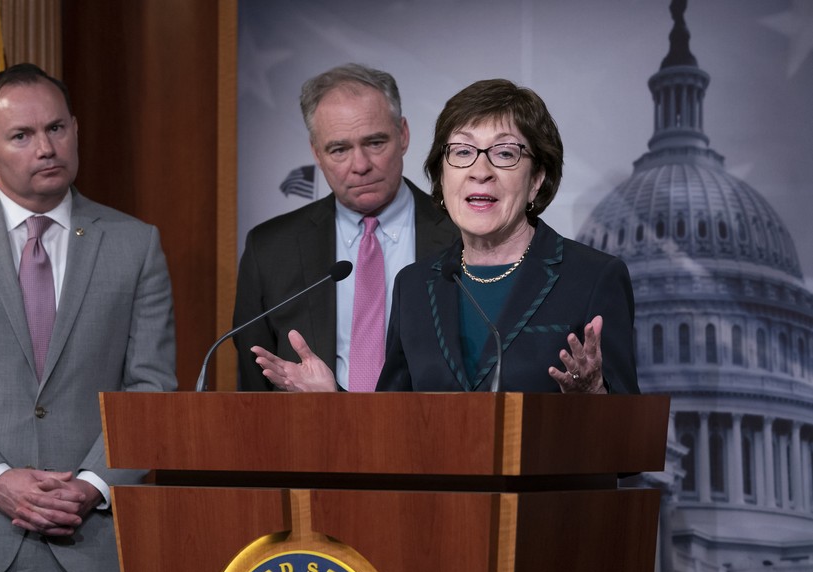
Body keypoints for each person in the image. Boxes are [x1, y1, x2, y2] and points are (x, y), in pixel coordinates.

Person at [251, 79, 639, 395]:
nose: (479, 171)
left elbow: (628, 450)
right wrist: (331, 400)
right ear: (441, 176)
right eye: (462, 151)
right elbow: (394, 430)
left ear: (537, 178)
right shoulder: (416, 285)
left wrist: (595, 398)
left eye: (504, 154)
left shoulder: (592, 278)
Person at [0, 64, 177, 572]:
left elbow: (151, 387)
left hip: (92, 542)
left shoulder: (136, 244)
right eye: (21, 135)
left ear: (75, 130)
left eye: (56, 128)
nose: (45, 148)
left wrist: (91, 484)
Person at [233, 63, 457, 392]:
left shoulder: (463, 236)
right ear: (316, 152)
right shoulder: (269, 249)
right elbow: (256, 389)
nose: (361, 165)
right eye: (339, 149)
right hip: (309, 436)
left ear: (403, 135)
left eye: (376, 143)